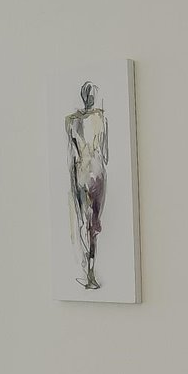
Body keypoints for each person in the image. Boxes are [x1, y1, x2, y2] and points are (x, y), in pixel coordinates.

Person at [65, 81, 108, 289]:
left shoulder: (72, 121)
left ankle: (90, 271)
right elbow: (105, 153)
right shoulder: (99, 118)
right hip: (96, 174)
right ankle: (90, 271)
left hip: (84, 174)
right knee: (92, 226)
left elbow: (71, 157)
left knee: (87, 223)